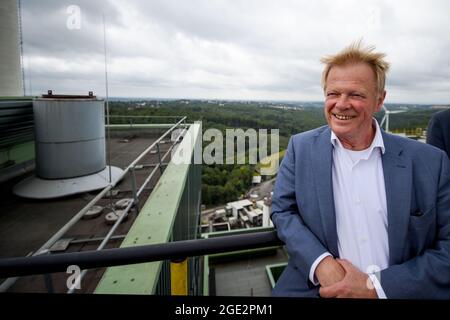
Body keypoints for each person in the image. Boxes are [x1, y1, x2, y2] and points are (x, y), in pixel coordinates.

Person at [271, 42, 450, 299]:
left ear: (380, 100)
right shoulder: (301, 149)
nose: (341, 104)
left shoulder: (430, 162)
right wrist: (321, 263)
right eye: (333, 93)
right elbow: (282, 210)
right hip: (320, 291)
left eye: (355, 95)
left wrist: (377, 288)